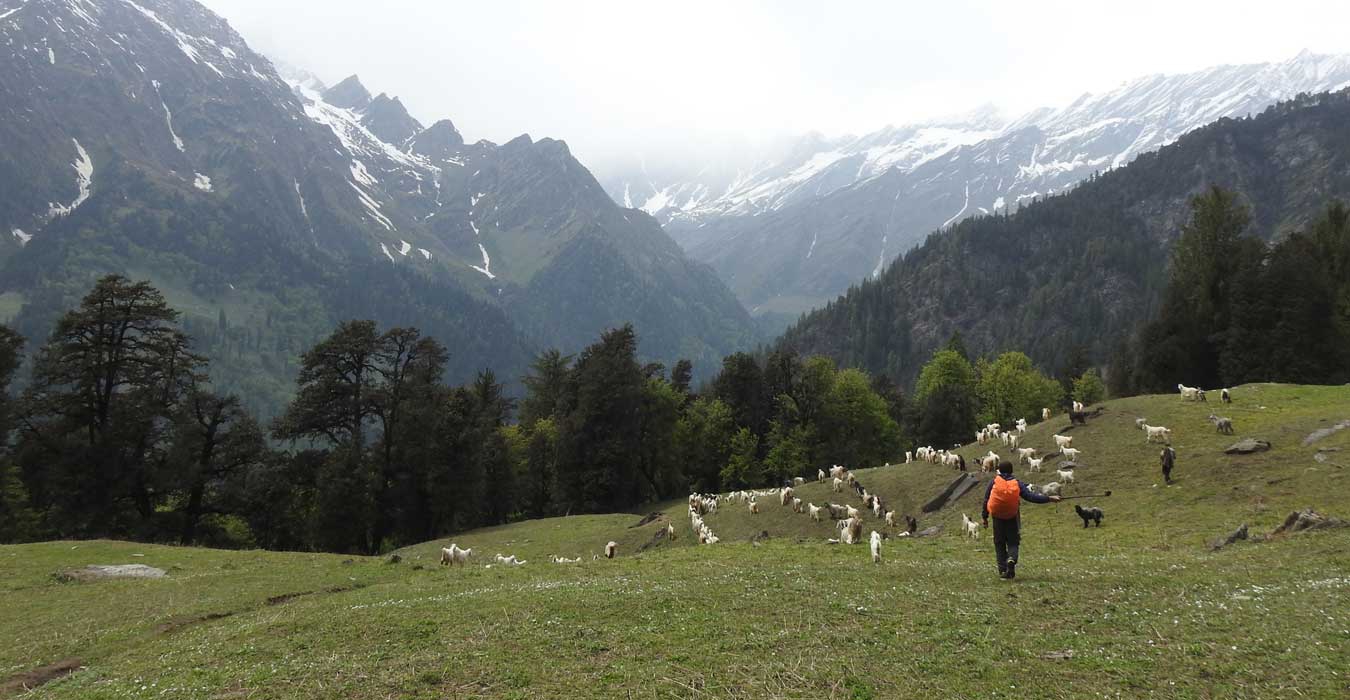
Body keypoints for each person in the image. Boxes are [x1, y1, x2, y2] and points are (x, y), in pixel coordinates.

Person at [981, 461, 1060, 579]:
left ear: (999, 470)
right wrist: (1049, 498)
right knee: (1013, 542)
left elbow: (986, 500)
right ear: (1012, 471)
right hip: (1012, 517)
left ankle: (1003, 571)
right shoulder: (1017, 483)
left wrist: (985, 517)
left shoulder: (993, 482)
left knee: (999, 543)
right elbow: (1031, 497)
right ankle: (1011, 559)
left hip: (997, 517)